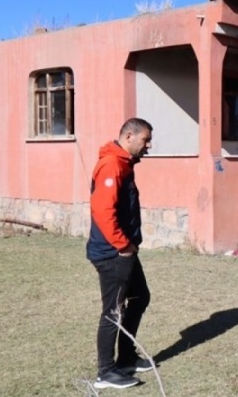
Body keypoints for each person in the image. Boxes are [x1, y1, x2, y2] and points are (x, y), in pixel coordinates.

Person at [87, 118, 155, 389]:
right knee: (113, 310)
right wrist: (123, 245)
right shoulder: (112, 165)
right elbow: (103, 212)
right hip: (112, 253)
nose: (148, 146)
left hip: (124, 250)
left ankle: (126, 357)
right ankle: (106, 373)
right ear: (129, 136)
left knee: (140, 297)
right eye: (145, 140)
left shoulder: (124, 163)